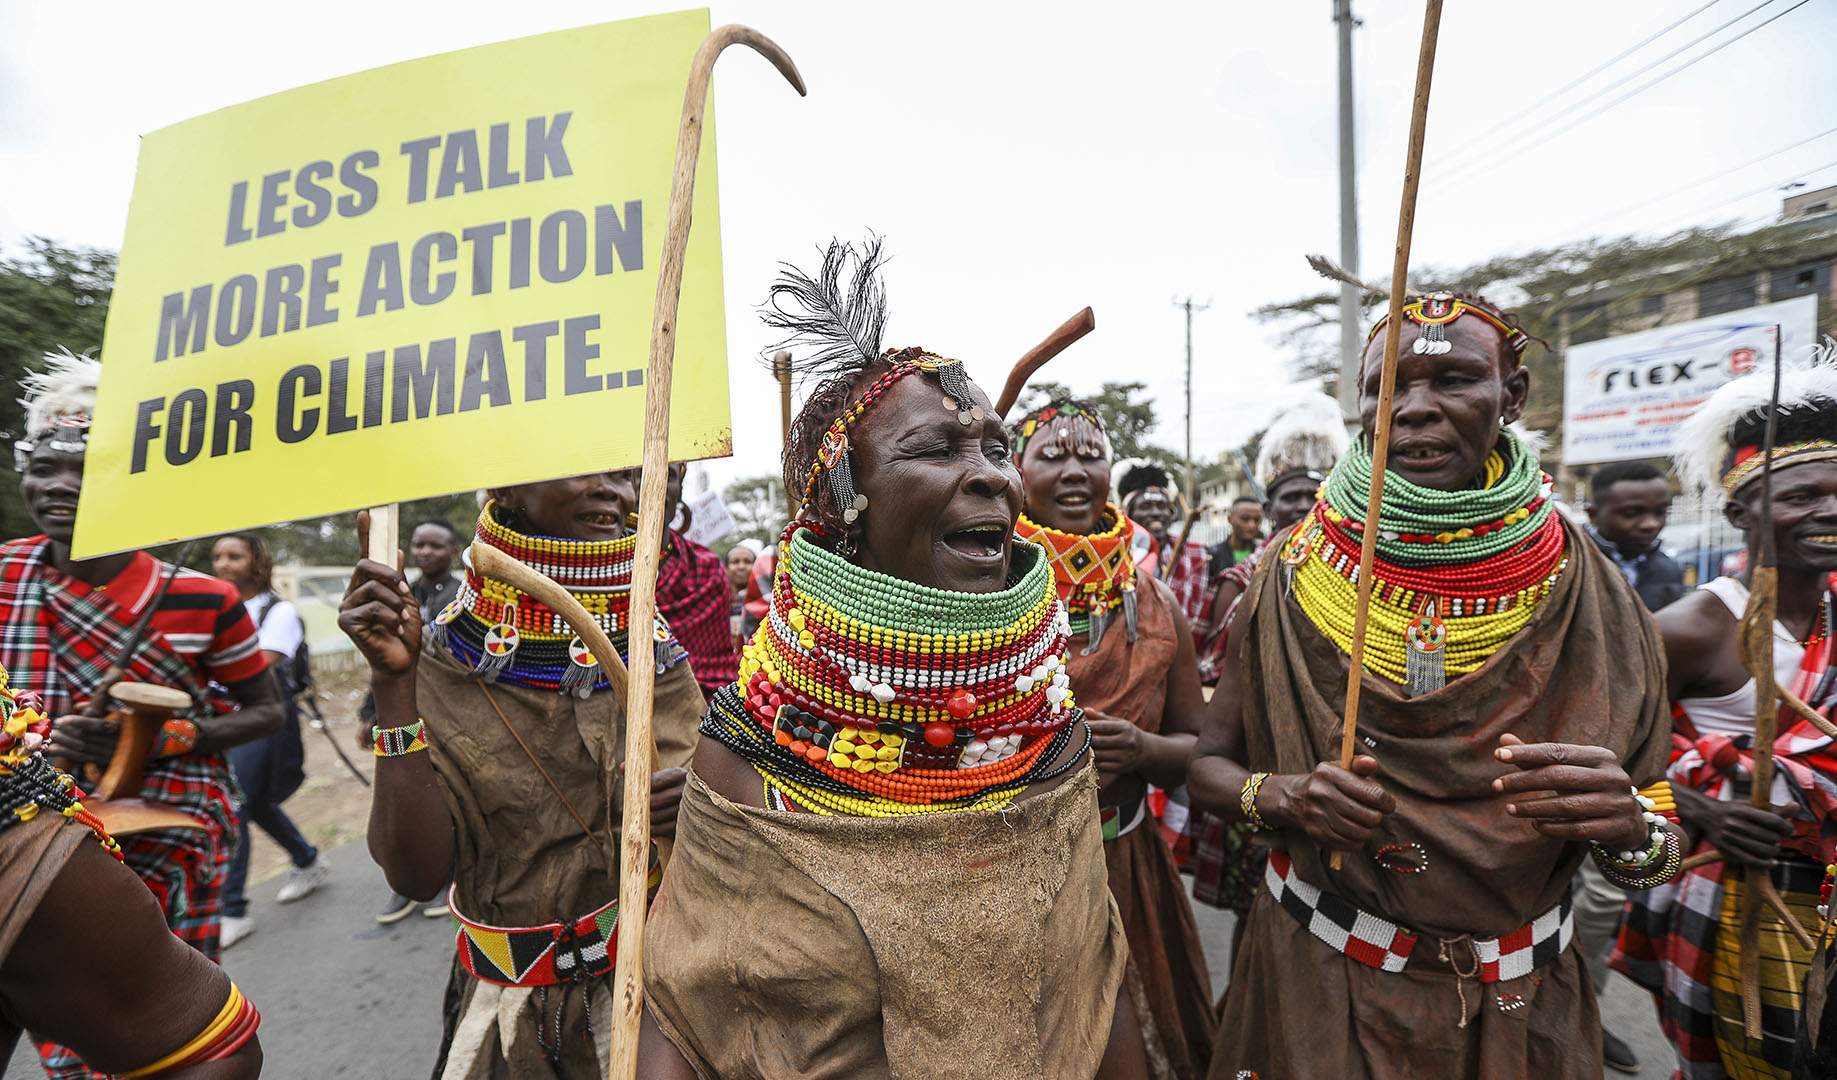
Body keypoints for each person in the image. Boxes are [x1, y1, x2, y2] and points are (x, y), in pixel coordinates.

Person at [638, 238, 1143, 1079]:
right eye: (938, 450)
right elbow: (687, 1009)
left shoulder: (1044, 732)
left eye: (992, 448)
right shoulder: (750, 748)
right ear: (843, 504)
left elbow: (1093, 986)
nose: (992, 478)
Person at [1187, 292, 1679, 1079]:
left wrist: (1628, 832)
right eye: (1388, 388)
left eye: (1452, 379)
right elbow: (1206, 766)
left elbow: (1655, 828)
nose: (1413, 410)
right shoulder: (1288, 568)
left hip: (1523, 1001)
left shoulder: (1594, 590)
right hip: (1320, 978)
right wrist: (1283, 798)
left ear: (1510, 396)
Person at [339, 470, 705, 1079]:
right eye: (587, 464)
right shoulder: (437, 662)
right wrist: (393, 688)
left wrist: (697, 807)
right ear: (506, 489)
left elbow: (720, 827)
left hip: (661, 1001)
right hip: (508, 1022)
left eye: (625, 473)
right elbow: (416, 874)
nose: (614, 490)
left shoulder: (654, 654)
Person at [1, 351, 285, 1080]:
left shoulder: (202, 599)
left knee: (163, 1041)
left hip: (167, 839)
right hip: (28, 844)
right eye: (47, 467)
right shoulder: (3, 577)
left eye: (87, 471)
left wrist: (151, 740)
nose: (60, 488)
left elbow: (264, 712)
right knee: (62, 1037)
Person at [1611, 358, 1837, 1080]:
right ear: (1740, 513)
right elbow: (1603, 756)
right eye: (1800, 496)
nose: (1828, 511)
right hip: (1734, 891)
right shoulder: (1691, 627)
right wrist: (1701, 807)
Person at [1012, 397, 1216, 1078]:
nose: (1074, 469)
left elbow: (1201, 749)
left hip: (1126, 862)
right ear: (1016, 470)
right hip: (1006, 876)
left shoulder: (1155, 604)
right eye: (1052, 455)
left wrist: (1144, 750)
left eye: (1089, 455)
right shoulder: (977, 590)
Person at [0, 671, 264, 1078]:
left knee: (169, 1033)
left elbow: (267, 710)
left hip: (173, 837)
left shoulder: (212, 603)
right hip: (47, 830)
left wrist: (164, 737)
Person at [1188, 394, 1346, 924]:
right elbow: (1212, 678)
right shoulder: (1242, 584)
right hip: (1258, 781)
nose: (1302, 506)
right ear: (1270, 508)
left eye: (1315, 494)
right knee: (1263, 915)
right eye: (1290, 496)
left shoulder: (1359, 584)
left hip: (1343, 797)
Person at [213, 532, 327, 949]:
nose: (223, 564)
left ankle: (232, 910)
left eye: (234, 556)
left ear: (256, 562)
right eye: (218, 557)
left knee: (236, 803)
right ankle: (308, 860)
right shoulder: (220, 610)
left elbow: (258, 667)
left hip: (264, 717)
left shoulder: (278, 612)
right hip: (225, 717)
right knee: (255, 802)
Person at [375, 517, 462, 925]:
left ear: (452, 550)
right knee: (399, 785)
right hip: (402, 706)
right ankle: (404, 884)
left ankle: (449, 876)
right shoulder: (397, 591)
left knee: (445, 788)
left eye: (436, 546)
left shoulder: (463, 595)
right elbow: (378, 654)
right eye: (419, 544)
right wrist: (368, 712)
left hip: (446, 707)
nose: (426, 552)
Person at [643, 462, 740, 701]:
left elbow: (716, 677)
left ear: (680, 489)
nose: (653, 483)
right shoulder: (593, 571)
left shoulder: (705, 571)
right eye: (637, 474)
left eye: (667, 475)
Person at [1117, 461, 1211, 632]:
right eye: (1146, 506)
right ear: (1128, 514)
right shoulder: (1115, 556)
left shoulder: (1198, 555)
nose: (1156, 513)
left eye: (1162, 506)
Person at [1586, 461, 1686, 613]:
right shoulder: (1569, 564)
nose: (1651, 524)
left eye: (1660, 512)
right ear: (1594, 515)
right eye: (1631, 514)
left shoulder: (1668, 570)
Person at [1207, 497, 1265, 578]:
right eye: (1245, 519)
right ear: (1230, 519)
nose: (1252, 525)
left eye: (1257, 520)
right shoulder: (1212, 556)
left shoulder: (1264, 555)